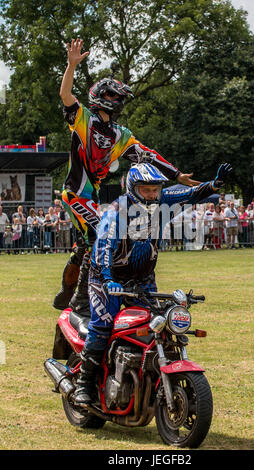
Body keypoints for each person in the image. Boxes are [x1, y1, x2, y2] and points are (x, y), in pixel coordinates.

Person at [53, 37, 201, 314]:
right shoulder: (83, 120)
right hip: (74, 193)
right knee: (103, 235)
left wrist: (177, 174)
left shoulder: (121, 134)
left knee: (87, 244)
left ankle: (71, 292)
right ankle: (80, 300)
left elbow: (149, 154)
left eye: (118, 97)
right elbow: (65, 96)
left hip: (92, 196)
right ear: (100, 97)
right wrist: (71, 65)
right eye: (112, 95)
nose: (117, 100)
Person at [73, 162, 232, 405]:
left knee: (157, 324)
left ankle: (148, 376)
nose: (151, 194)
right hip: (108, 278)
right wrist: (107, 279)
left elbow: (191, 194)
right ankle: (84, 384)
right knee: (103, 325)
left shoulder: (163, 202)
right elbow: (103, 247)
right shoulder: (117, 212)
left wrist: (215, 183)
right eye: (146, 190)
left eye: (155, 189)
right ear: (132, 188)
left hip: (142, 278)